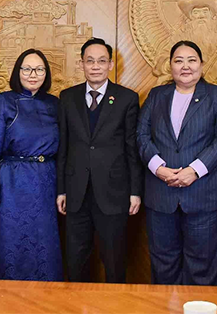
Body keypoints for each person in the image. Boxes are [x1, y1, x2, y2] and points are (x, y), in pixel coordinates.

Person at [136, 40, 217, 285]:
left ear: (202, 65)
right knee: (163, 266)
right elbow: (141, 136)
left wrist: (195, 170)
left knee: (203, 268)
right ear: (170, 65)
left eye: (191, 60)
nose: (185, 66)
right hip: (161, 195)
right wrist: (158, 168)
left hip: (206, 196)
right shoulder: (156, 95)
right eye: (178, 61)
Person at [56, 38, 143, 283]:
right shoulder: (67, 97)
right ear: (81, 64)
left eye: (102, 61)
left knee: (114, 262)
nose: (96, 66)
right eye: (90, 61)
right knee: (75, 260)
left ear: (110, 64)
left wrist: (135, 191)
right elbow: (64, 147)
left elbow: (131, 149)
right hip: (76, 192)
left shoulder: (126, 98)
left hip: (114, 192)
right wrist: (61, 189)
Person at [0, 49, 62, 281]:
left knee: (44, 245)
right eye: (26, 69)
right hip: (12, 185)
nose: (33, 74)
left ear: (46, 73)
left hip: (46, 182)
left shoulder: (54, 104)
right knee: (11, 244)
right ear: (18, 71)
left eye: (39, 69)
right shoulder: (3, 101)